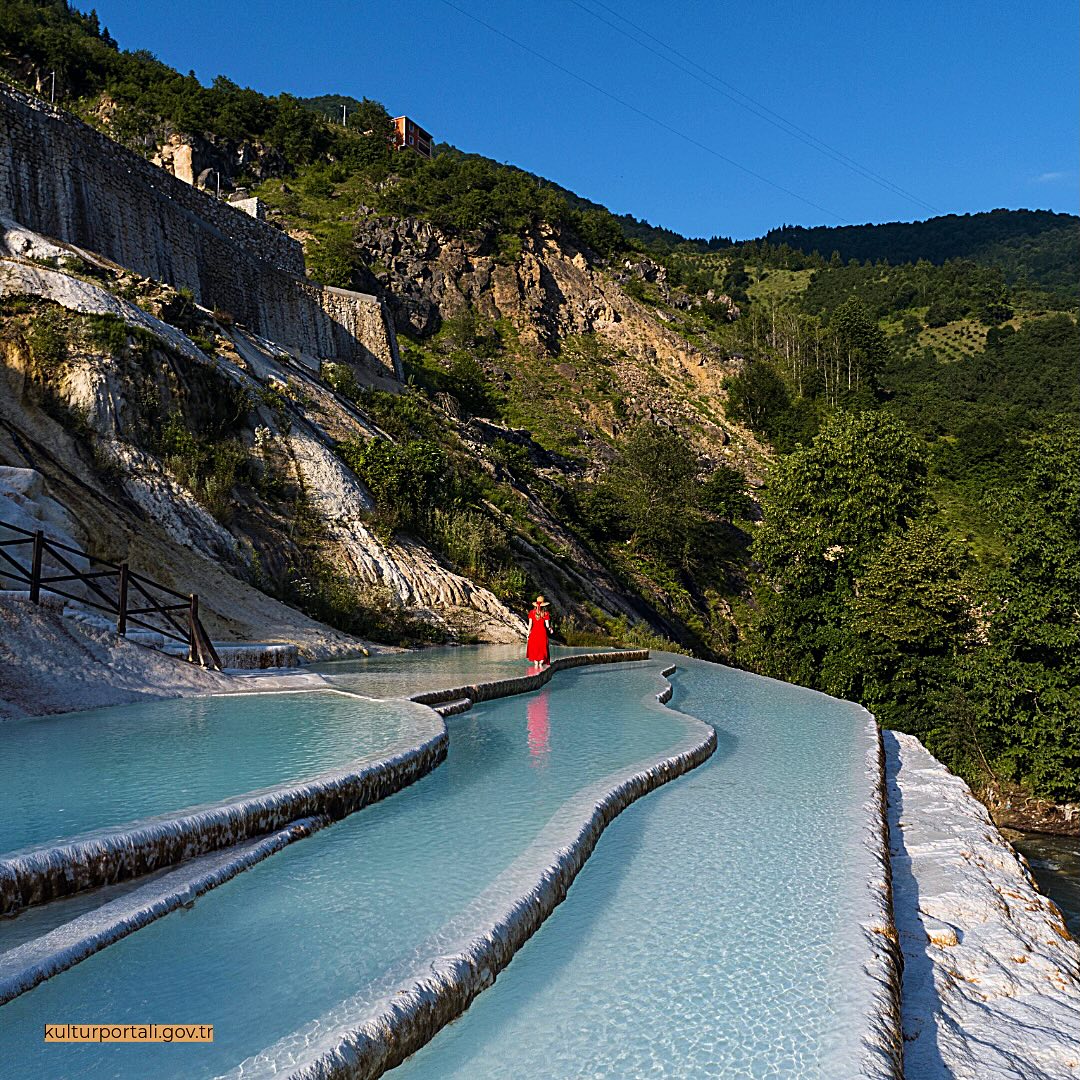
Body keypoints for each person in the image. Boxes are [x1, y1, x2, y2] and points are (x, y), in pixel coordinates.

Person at [526, 595, 552, 667]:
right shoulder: (546, 613)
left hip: (534, 633)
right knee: (542, 649)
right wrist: (550, 628)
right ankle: (541, 664)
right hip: (542, 633)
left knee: (534, 649)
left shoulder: (532, 612)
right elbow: (547, 625)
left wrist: (528, 634)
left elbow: (530, 624)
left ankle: (536, 665)